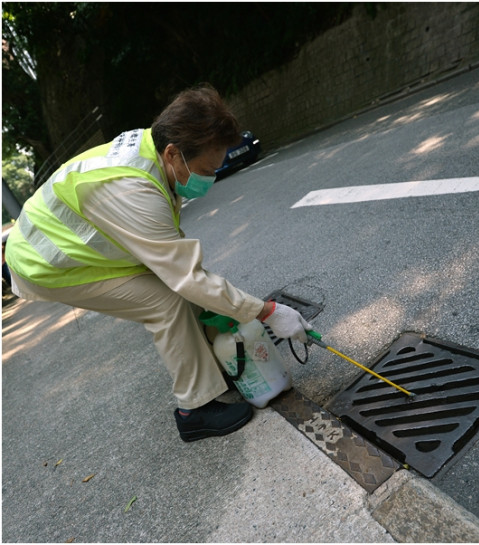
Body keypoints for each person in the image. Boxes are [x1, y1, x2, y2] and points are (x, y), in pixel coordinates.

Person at [5, 84, 311, 442]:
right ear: (172, 154)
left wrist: (235, 305)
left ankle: (217, 366)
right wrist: (265, 310)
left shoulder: (152, 152)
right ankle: (194, 410)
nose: (210, 179)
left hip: (81, 241)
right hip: (46, 262)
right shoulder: (131, 190)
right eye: (206, 169)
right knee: (165, 301)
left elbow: (181, 266)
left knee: (180, 285)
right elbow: (187, 278)